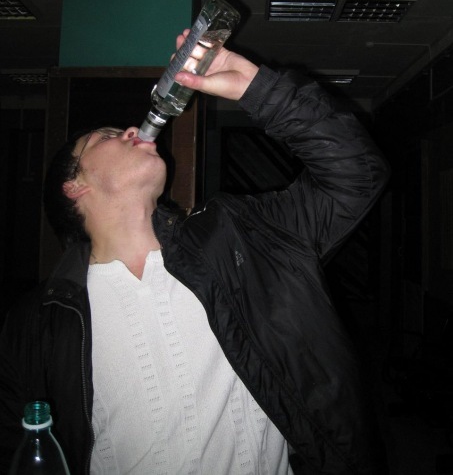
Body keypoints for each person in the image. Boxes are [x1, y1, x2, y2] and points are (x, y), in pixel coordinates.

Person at [0, 31, 390, 475]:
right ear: (74, 186)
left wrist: (257, 88)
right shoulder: (37, 324)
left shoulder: (242, 240)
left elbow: (358, 175)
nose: (131, 130)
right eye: (105, 136)